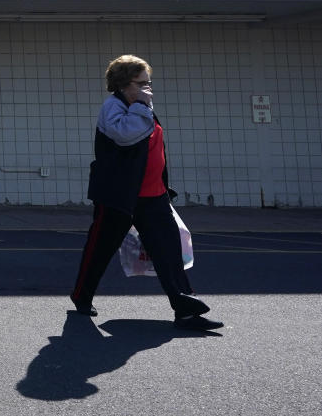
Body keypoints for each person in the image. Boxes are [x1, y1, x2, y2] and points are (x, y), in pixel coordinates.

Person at [69, 55, 222, 331]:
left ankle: (185, 309)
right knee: (100, 248)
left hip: (153, 195)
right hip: (119, 195)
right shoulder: (113, 107)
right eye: (143, 83)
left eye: (148, 82)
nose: (148, 88)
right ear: (125, 84)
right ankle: (82, 295)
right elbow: (125, 136)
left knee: (169, 250)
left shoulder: (142, 106)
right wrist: (141, 105)